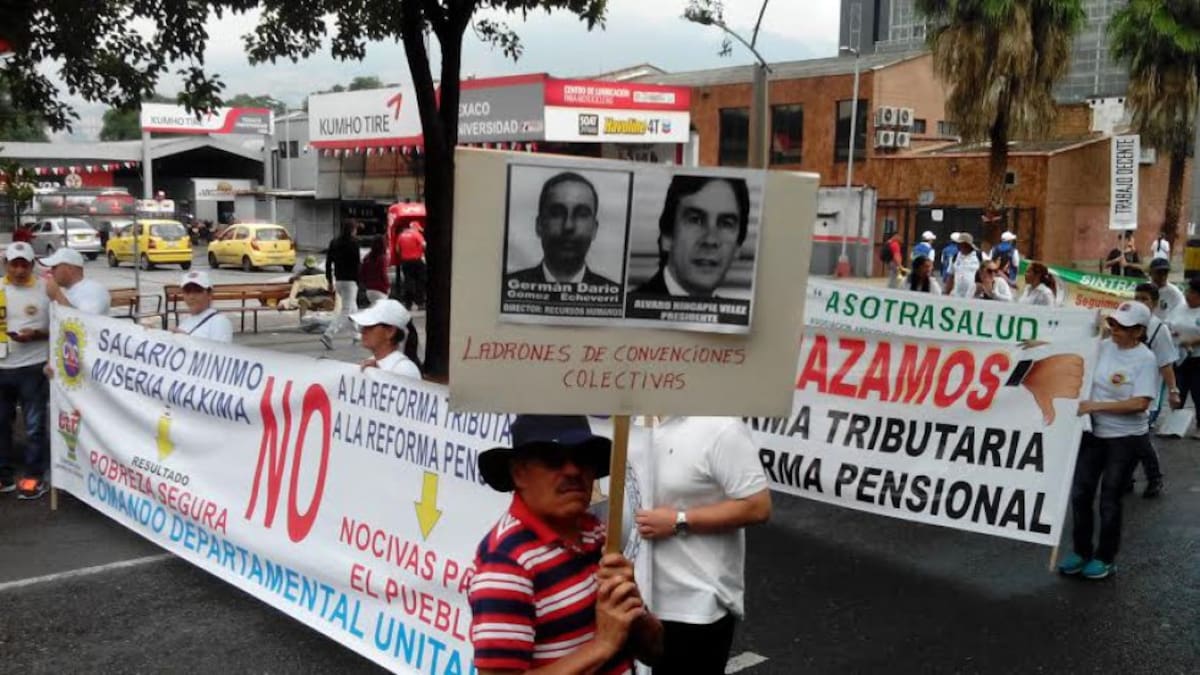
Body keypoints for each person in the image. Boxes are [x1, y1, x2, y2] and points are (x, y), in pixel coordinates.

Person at [469, 415, 662, 673]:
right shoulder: (506, 564)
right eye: (553, 459)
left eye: (583, 458)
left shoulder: (596, 533)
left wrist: (633, 610)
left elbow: (654, 650)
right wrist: (602, 645)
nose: (573, 471)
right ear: (519, 473)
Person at [633, 417, 770, 674]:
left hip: (694, 605)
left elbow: (757, 506)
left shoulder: (721, 426)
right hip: (633, 598)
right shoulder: (632, 420)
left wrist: (679, 520)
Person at [1059, 301, 1157, 580]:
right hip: (1093, 433)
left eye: (1122, 327)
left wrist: (1096, 406)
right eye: (1113, 323)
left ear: (1138, 331)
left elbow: (1140, 403)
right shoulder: (1102, 347)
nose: (1115, 330)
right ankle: (1081, 551)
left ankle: (1105, 557)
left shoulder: (1146, 359)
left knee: (1110, 498)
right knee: (1080, 493)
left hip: (1126, 439)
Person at [634, 175, 750, 297]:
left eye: (726, 224)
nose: (710, 240)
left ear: (738, 247)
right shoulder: (632, 304)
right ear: (667, 237)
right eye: (695, 220)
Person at [0, 242, 51, 499]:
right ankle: (4, 475)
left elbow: (63, 326)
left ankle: (34, 475)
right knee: (1, 423)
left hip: (33, 366)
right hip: (2, 368)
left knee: (34, 425)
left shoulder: (46, 289)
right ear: (5, 264)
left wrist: (37, 335)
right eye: (14, 264)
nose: (19, 270)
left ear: (32, 265)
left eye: (24, 265)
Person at [507, 172, 619, 288]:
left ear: (594, 229)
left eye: (581, 214)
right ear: (539, 225)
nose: (568, 226)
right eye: (557, 214)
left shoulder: (615, 291)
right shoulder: (507, 286)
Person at [1128, 283, 1180, 498]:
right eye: (1137, 298)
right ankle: (1126, 476)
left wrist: (1173, 390)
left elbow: (1166, 363)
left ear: (1155, 303)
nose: (1140, 303)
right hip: (1125, 392)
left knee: (1138, 437)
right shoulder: (1126, 322)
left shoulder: (1159, 329)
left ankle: (1153, 477)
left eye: (1145, 299)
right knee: (1128, 437)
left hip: (1149, 395)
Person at [350, 299, 421, 378]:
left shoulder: (405, 369)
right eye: (363, 326)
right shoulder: (370, 362)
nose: (362, 331)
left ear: (390, 332)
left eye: (370, 326)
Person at [321, 220, 361, 350]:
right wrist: (360, 280)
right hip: (351, 281)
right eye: (355, 229)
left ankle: (356, 335)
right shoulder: (354, 243)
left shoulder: (334, 242)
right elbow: (357, 264)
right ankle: (329, 334)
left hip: (338, 280)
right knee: (346, 310)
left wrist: (329, 281)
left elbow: (328, 263)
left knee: (352, 308)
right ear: (352, 230)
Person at [1168, 276, 1200, 439]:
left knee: (1198, 393)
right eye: (1188, 291)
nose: (1188, 294)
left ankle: (1199, 427)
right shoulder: (1180, 307)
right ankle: (1174, 426)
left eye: (1192, 292)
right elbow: (1169, 323)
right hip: (1179, 357)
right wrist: (1172, 333)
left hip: (1197, 358)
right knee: (1178, 390)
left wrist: (1193, 342)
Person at [41, 247, 111, 315]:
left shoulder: (93, 290)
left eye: (54, 267)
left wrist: (57, 296)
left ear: (69, 269)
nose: (51, 271)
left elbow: (86, 320)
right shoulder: (66, 290)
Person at [173, 270, 233, 343]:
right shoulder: (185, 321)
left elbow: (220, 349)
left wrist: (187, 341)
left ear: (209, 294)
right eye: (187, 291)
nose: (191, 296)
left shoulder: (219, 322)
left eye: (197, 291)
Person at [397, 222, 428, 309]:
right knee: (420, 282)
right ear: (416, 228)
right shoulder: (416, 234)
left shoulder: (401, 235)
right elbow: (424, 245)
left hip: (405, 261)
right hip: (417, 261)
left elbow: (398, 249)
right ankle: (420, 303)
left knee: (408, 282)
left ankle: (408, 304)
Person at [944, 233, 982, 299]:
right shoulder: (955, 257)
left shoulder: (978, 256)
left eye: (961, 244)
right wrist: (946, 293)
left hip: (973, 297)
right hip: (957, 295)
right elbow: (950, 276)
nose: (958, 246)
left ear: (967, 244)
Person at [359, 237, 391, 305]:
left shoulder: (367, 257)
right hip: (380, 289)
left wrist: (366, 284)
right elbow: (383, 274)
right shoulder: (382, 258)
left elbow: (362, 273)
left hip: (369, 290)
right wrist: (387, 285)